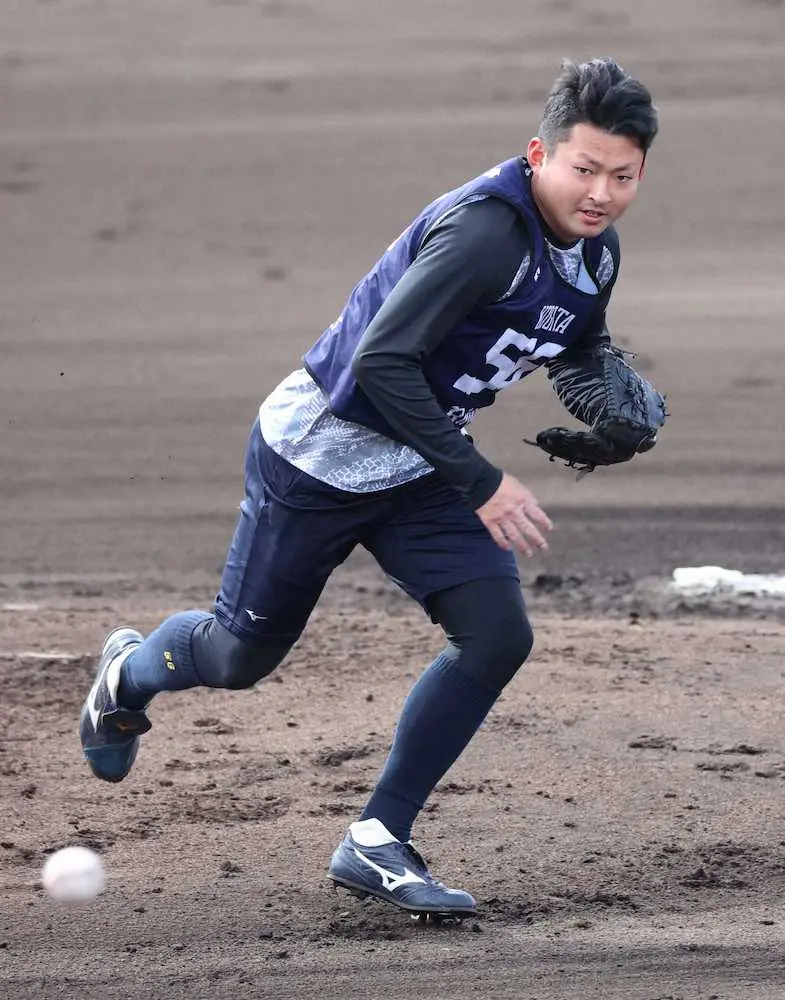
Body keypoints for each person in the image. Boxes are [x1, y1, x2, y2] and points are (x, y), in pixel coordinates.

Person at [80, 57, 661, 919]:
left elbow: (578, 336)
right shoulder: (483, 235)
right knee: (241, 658)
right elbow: (379, 363)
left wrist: (610, 405)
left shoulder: (593, 251)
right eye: (583, 169)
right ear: (537, 153)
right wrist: (481, 482)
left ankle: (377, 838)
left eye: (622, 176)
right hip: (317, 461)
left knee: (496, 636)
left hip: (420, 466)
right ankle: (127, 677)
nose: (600, 193)